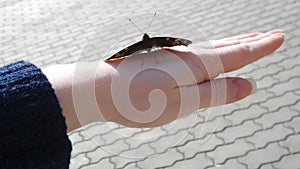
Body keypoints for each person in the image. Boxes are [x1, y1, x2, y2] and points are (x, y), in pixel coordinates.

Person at [0, 30, 284, 168]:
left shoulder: (157, 41)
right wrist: (97, 90)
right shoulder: (143, 45)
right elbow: (127, 54)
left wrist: (87, 93)